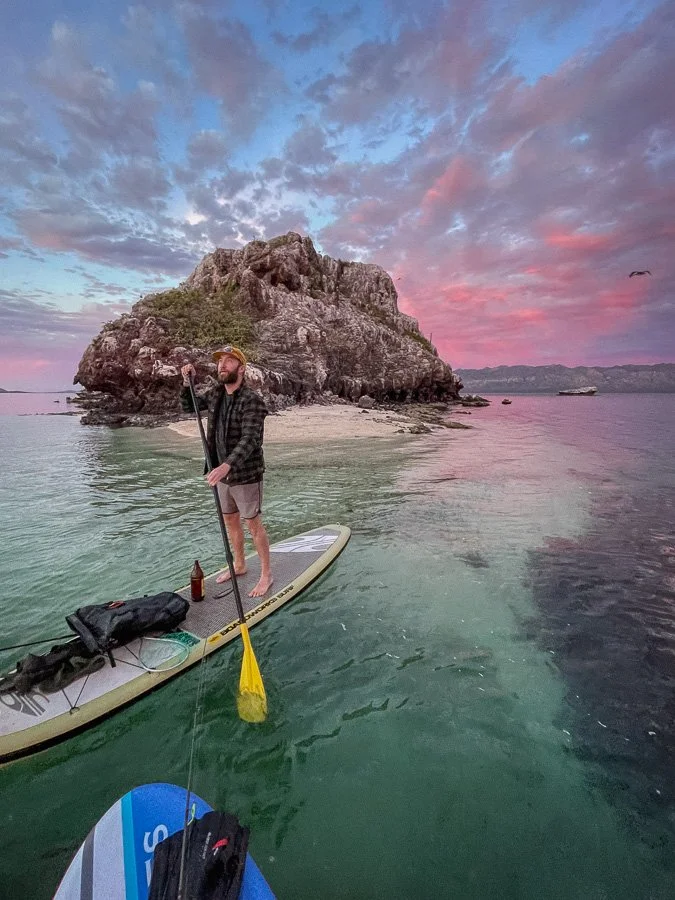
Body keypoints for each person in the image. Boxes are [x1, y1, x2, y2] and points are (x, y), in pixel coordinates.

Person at [180, 346, 273, 598]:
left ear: (241, 369)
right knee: (230, 520)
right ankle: (240, 564)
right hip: (220, 473)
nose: (223, 365)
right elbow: (191, 407)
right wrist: (187, 382)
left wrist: (226, 465)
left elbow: (250, 439)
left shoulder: (252, 400)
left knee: (252, 523)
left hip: (245, 474)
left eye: (229, 361)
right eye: (220, 361)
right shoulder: (216, 395)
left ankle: (266, 575)